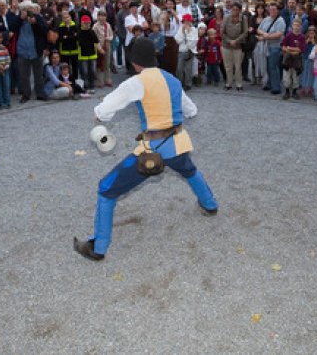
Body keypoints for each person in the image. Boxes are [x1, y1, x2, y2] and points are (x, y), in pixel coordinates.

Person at [73, 38, 218, 261]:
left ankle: (98, 247)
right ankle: (210, 205)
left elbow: (107, 108)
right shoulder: (172, 79)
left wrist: (99, 114)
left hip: (154, 150)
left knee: (106, 189)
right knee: (189, 170)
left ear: (134, 61)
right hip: (179, 142)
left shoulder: (137, 82)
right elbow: (192, 111)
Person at [15, 1, 48, 103]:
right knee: (24, 75)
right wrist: (20, 19)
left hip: (35, 50)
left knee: (38, 74)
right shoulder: (18, 19)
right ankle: (26, 94)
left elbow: (44, 31)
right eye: (25, 9)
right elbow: (12, 28)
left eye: (29, 9)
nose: (28, 12)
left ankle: (40, 93)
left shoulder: (37, 18)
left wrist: (35, 23)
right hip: (23, 50)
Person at [257, 2, 286, 95]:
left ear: (277, 11)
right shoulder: (266, 19)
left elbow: (279, 34)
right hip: (266, 46)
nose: (272, 11)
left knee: (274, 67)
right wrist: (264, 34)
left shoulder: (280, 21)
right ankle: (269, 84)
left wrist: (266, 36)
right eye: (271, 9)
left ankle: (276, 87)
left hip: (275, 47)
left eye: (274, 9)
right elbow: (258, 29)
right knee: (268, 66)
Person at [221, 2, 248, 91]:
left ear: (240, 10)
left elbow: (245, 32)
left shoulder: (243, 18)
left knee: (238, 66)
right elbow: (222, 32)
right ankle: (228, 83)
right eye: (233, 9)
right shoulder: (226, 18)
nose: (235, 11)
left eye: (237, 10)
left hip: (238, 45)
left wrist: (236, 41)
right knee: (228, 66)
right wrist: (229, 41)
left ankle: (239, 84)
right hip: (226, 45)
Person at [280, 18, 306, 100]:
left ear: (300, 27)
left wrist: (290, 48)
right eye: (294, 25)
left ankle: (294, 92)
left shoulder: (302, 37)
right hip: (287, 60)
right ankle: (287, 91)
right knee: (287, 77)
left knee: (296, 77)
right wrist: (291, 49)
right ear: (292, 26)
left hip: (297, 61)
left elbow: (300, 50)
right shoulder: (289, 35)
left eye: (298, 25)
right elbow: (283, 46)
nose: (296, 27)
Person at [175, 14, 198, 90]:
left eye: (188, 21)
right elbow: (178, 40)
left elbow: (192, 43)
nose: (186, 23)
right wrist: (183, 32)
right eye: (185, 21)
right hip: (181, 51)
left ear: (190, 21)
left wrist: (187, 33)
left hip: (190, 52)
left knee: (188, 69)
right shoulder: (180, 29)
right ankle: (179, 83)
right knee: (179, 68)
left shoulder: (194, 30)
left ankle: (188, 84)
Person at [78, 15, 99, 93]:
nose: (87, 25)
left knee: (92, 71)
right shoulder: (79, 32)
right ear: (82, 23)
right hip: (83, 55)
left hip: (92, 54)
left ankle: (92, 85)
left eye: (88, 23)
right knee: (85, 72)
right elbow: (80, 43)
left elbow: (96, 41)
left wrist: (99, 49)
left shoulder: (92, 31)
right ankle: (86, 86)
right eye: (85, 23)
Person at [93, 10, 113, 88]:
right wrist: (99, 48)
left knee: (107, 64)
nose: (102, 18)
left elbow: (111, 35)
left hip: (107, 46)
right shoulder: (95, 26)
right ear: (97, 17)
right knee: (99, 65)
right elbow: (94, 39)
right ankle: (100, 81)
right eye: (100, 16)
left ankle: (107, 79)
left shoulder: (108, 25)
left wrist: (108, 38)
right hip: (99, 47)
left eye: (104, 16)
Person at [299, 25, 317, 97]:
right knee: (303, 73)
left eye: (313, 32)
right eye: (310, 32)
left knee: (311, 74)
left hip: (312, 60)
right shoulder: (304, 39)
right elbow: (302, 48)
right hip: (304, 58)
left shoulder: (316, 41)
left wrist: (313, 42)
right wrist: (307, 42)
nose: (311, 34)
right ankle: (303, 87)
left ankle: (310, 87)